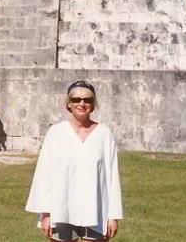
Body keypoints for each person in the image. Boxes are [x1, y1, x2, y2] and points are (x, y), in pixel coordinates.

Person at [26, 80, 123, 241]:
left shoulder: (104, 134)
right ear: (68, 104)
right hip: (61, 209)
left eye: (87, 100)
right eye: (76, 99)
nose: (82, 103)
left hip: (96, 209)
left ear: (93, 104)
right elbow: (44, 174)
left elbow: (112, 177)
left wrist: (113, 215)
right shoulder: (56, 133)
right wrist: (46, 213)